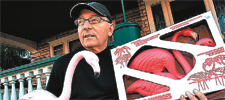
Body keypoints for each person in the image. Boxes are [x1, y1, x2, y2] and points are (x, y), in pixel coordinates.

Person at [46, 2, 207, 100]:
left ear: (110, 29)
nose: (86, 26)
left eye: (94, 20)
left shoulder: (124, 59)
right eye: (81, 22)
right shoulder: (63, 66)